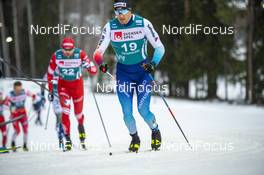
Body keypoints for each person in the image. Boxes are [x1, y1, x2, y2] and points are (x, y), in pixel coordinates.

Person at [93, 0, 165, 152]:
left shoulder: (143, 23)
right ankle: (135, 137)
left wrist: (153, 64)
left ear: (130, 11)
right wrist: (101, 63)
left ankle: (155, 130)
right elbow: (97, 52)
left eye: (124, 12)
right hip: (124, 74)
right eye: (117, 12)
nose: (121, 16)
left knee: (142, 110)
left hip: (142, 73)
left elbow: (160, 48)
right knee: (126, 113)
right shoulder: (110, 27)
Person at [47, 37, 97, 151]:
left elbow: (93, 68)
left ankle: (81, 129)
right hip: (63, 87)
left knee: (78, 114)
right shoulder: (57, 56)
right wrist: (50, 88)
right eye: (65, 49)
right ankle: (68, 139)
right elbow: (50, 73)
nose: (67, 52)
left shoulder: (80, 54)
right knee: (65, 112)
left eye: (70, 50)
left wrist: (90, 68)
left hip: (77, 87)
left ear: (74, 48)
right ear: (62, 48)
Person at [6, 81, 35, 151]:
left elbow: (33, 95)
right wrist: (9, 107)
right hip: (15, 115)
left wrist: (34, 97)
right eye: (17, 89)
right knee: (17, 131)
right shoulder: (10, 94)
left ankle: (25, 145)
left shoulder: (24, 92)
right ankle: (13, 144)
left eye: (20, 88)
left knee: (25, 130)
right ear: (14, 88)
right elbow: (5, 102)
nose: (19, 90)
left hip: (23, 115)